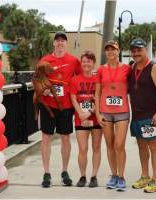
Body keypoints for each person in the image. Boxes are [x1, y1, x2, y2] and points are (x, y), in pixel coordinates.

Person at [38, 32, 81, 188]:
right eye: (57, 40)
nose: (60, 43)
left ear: (66, 44)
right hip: (48, 105)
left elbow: (80, 79)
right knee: (46, 138)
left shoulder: (73, 61)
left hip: (66, 106)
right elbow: (37, 79)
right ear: (54, 44)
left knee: (65, 138)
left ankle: (64, 171)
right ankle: (47, 173)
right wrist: (42, 89)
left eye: (63, 41)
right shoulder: (45, 60)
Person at [128, 38, 156, 193]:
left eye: (139, 50)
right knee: (141, 146)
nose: (136, 53)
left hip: (149, 116)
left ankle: (155, 179)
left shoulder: (153, 67)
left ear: (145, 50)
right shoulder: (132, 67)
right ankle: (145, 176)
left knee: (153, 145)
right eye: (134, 50)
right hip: (136, 116)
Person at [95, 40, 131, 191]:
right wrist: (97, 113)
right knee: (109, 145)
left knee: (119, 145)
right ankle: (114, 175)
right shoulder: (101, 70)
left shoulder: (127, 68)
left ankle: (122, 177)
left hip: (122, 111)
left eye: (113, 49)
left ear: (118, 51)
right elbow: (97, 93)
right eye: (108, 50)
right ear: (105, 52)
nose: (110, 52)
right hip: (106, 112)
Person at [70, 51, 102, 188]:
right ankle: (82, 176)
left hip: (95, 117)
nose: (86, 64)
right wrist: (80, 113)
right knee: (83, 149)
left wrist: (89, 112)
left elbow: (98, 98)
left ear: (93, 63)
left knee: (96, 147)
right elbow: (73, 98)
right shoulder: (75, 79)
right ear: (81, 63)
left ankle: (94, 176)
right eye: (84, 61)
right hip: (80, 118)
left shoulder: (97, 80)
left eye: (89, 61)